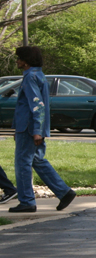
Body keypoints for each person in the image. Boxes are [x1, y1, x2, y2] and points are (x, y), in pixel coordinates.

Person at [10, 46, 76, 213]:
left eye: (19, 58)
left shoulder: (30, 78)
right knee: (37, 160)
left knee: (22, 163)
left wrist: (36, 131)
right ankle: (64, 192)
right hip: (32, 127)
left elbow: (37, 105)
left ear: (26, 61)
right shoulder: (38, 75)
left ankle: (27, 201)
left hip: (29, 128)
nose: (17, 61)